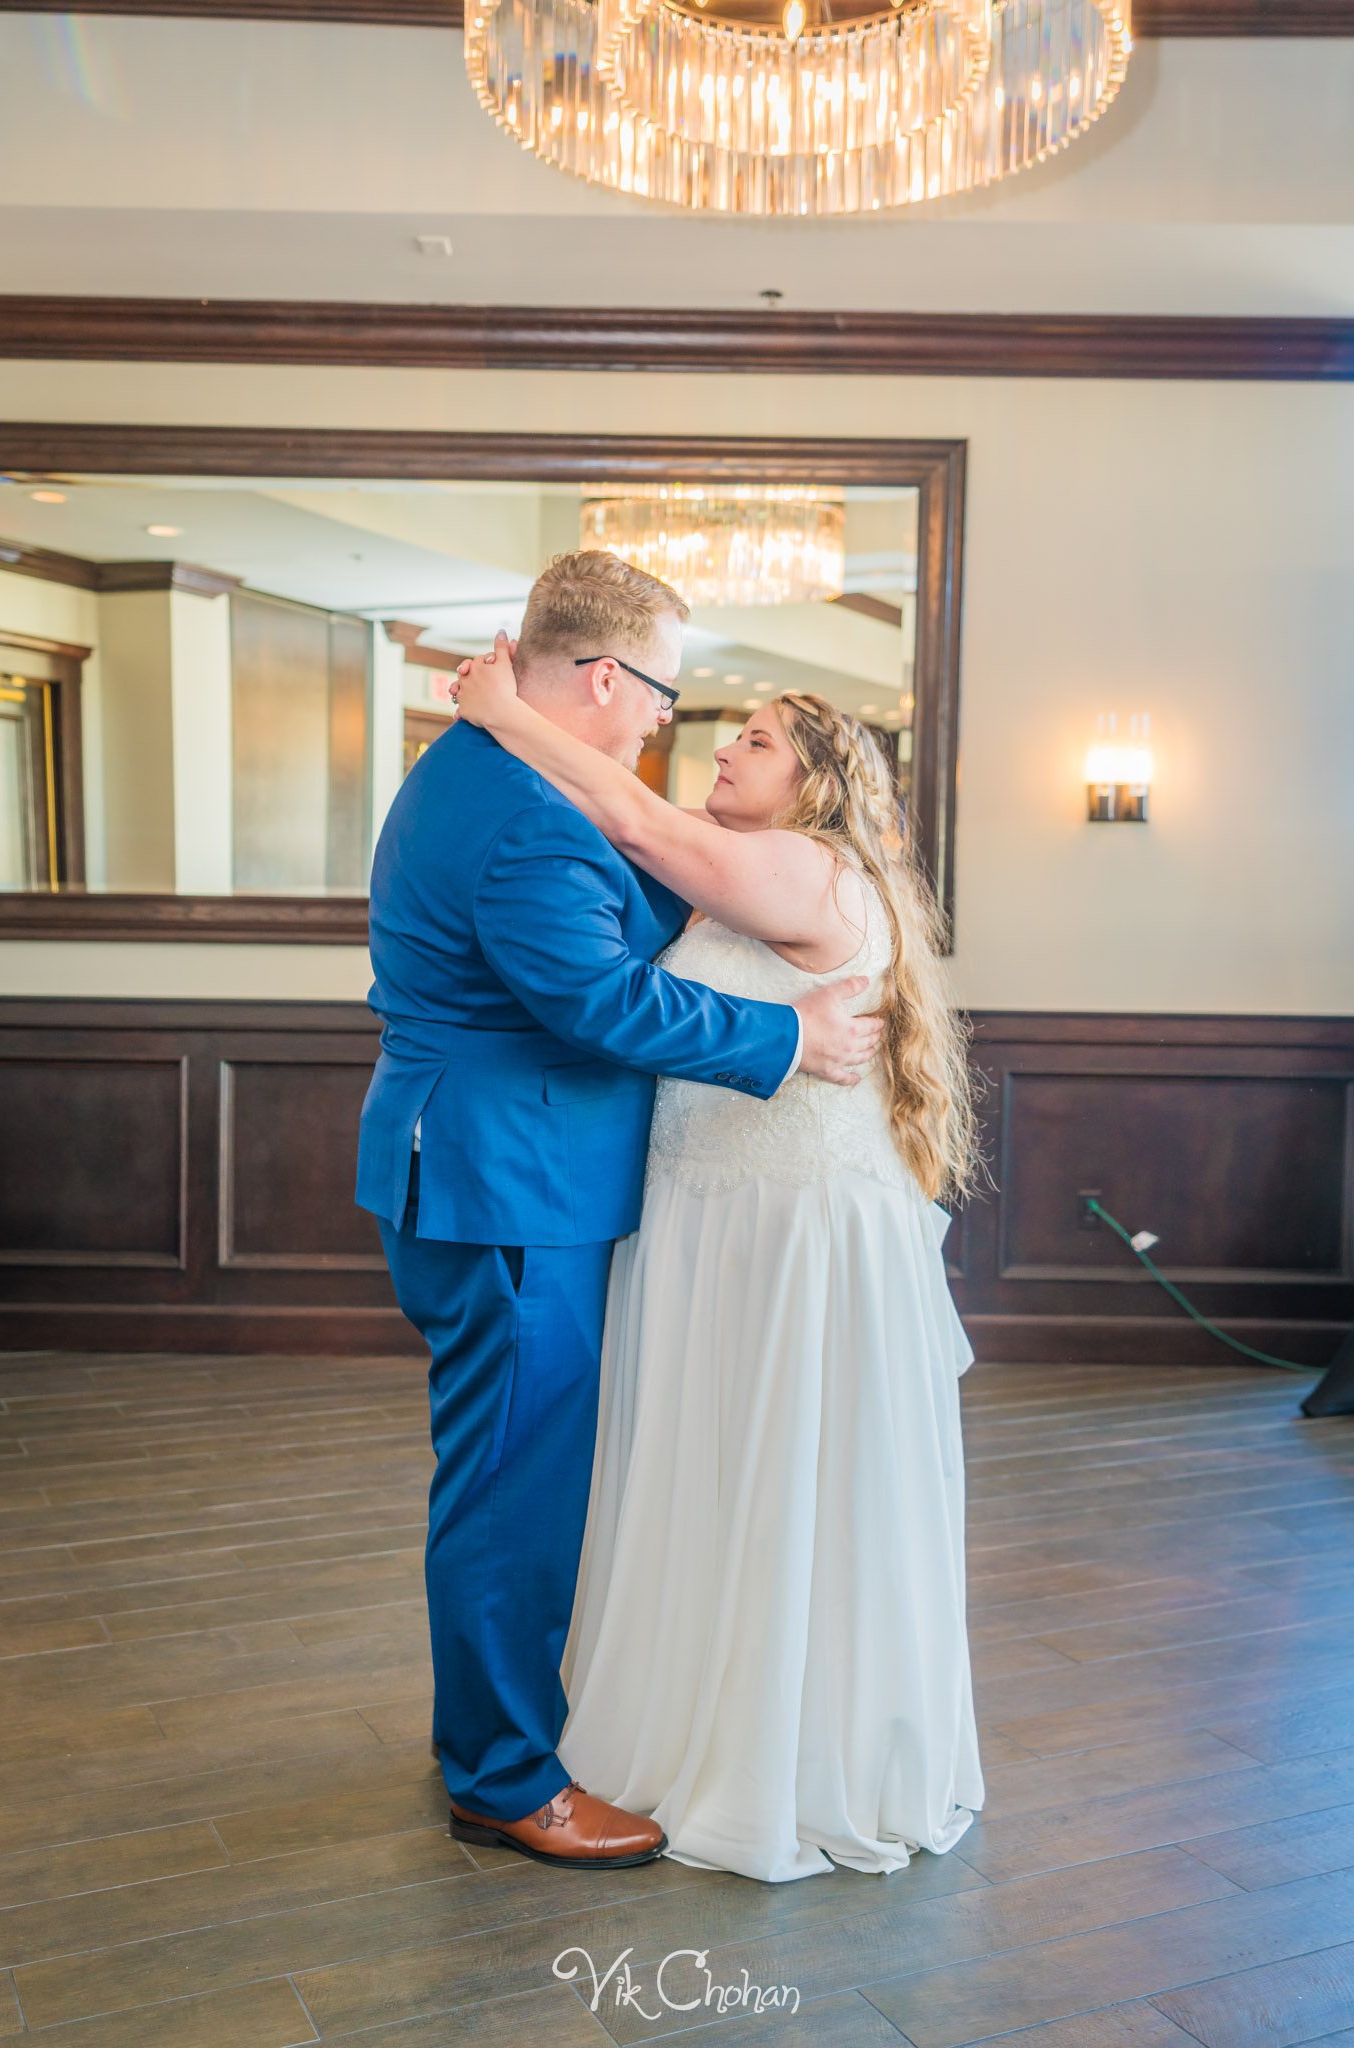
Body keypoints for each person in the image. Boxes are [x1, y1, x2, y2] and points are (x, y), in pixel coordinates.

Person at [355, 551, 882, 1871]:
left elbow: (639, 894)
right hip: (505, 1180)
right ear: (602, 676)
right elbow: (595, 1001)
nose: (663, 718)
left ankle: (482, 1728)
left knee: (499, 1469)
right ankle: (505, 1777)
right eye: (658, 692)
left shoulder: (496, 773)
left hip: (478, 1164)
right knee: (513, 1485)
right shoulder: (522, 807)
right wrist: (787, 1034)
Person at [452, 627, 985, 1884]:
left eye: (756, 738)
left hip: (782, 1230)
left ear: (815, 784)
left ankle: (779, 1754)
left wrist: (500, 709)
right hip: (712, 1219)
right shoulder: (740, 876)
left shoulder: (802, 867)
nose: (724, 746)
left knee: (775, 1472)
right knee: (709, 1469)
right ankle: (677, 1718)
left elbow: (637, 827)